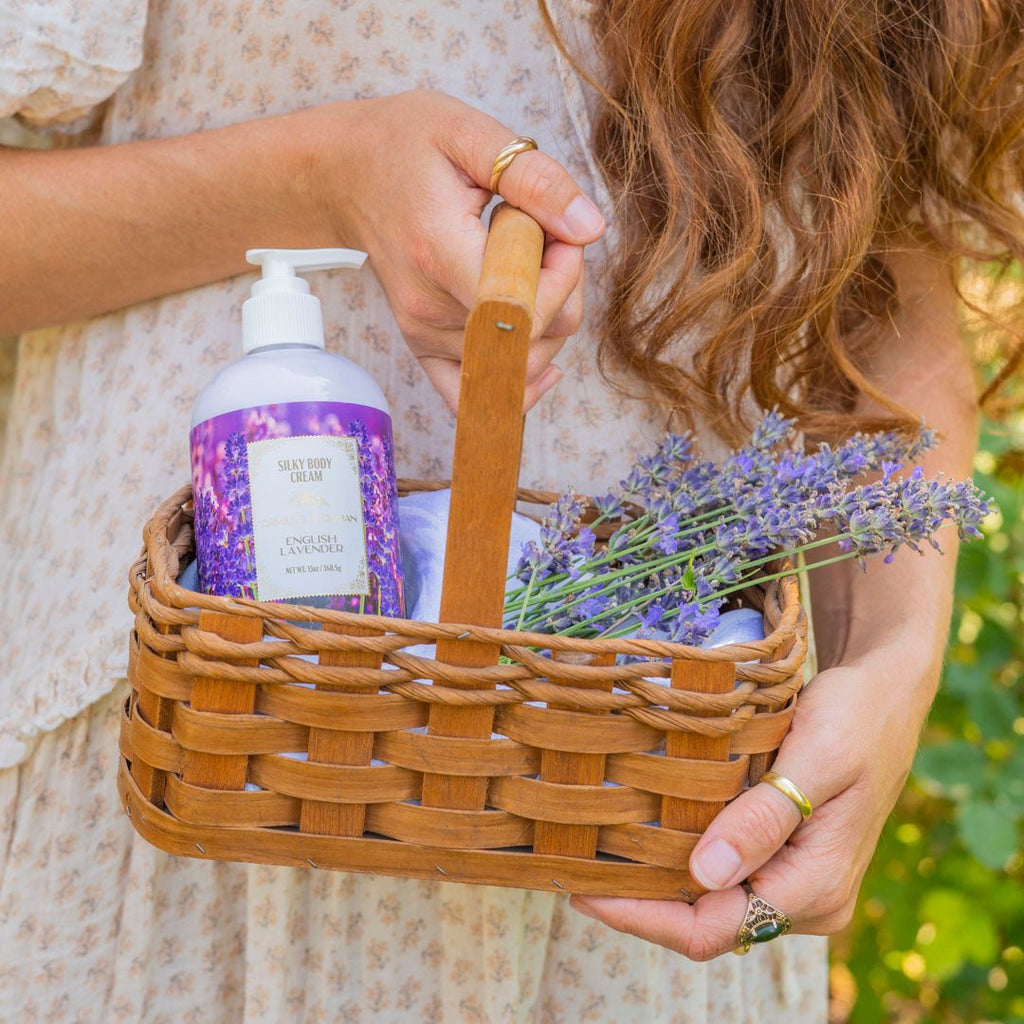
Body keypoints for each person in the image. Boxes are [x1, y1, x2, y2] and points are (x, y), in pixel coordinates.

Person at [0, 1, 1019, 1021]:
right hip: (221, 773)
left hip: (640, 816)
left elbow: (886, 280)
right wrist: (318, 179)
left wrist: (891, 666)